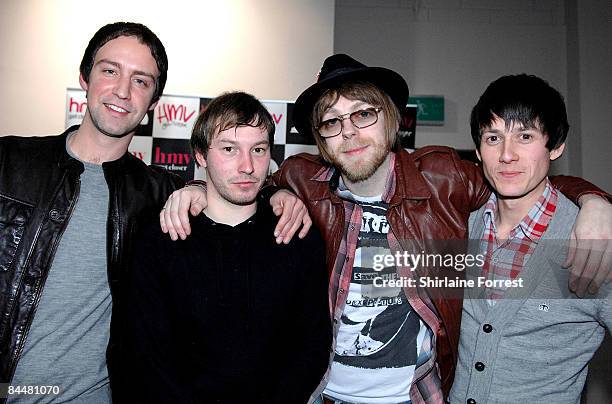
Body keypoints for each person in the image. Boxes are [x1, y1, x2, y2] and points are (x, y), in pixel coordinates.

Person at [161, 54, 612, 403]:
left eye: (364, 115)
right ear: (319, 137)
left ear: (392, 120)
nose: (349, 133)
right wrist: (197, 187)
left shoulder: (445, 180)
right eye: (332, 122)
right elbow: (242, 184)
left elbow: (517, 177)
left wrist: (594, 201)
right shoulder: (301, 181)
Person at [0, 22, 308, 403]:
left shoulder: (160, 191)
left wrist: (278, 195)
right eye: (110, 70)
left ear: (154, 103)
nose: (123, 91)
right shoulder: (8, 162)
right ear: (85, 77)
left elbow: (229, 191)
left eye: (141, 81)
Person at [122, 91, 331, 403]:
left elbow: (312, 345)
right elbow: (146, 355)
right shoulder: (160, 238)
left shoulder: (296, 232)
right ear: (201, 156)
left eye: (258, 150)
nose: (247, 166)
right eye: (229, 149)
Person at [449, 74, 611, 404]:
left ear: (557, 145)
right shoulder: (459, 227)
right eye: (493, 138)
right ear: (478, 151)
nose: (506, 155)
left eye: (525, 136)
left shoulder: (594, 243)